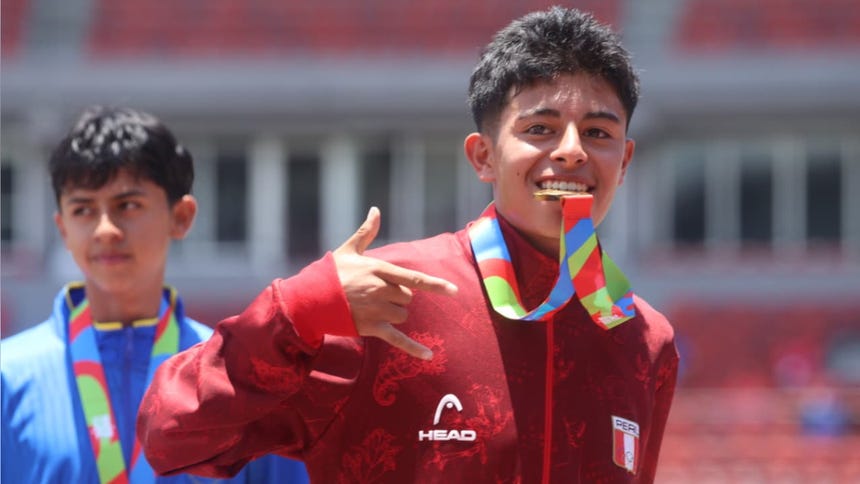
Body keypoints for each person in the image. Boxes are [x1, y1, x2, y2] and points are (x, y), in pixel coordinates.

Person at [138, 7, 679, 483]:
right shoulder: (377, 302)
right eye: (539, 129)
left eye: (598, 133)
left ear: (626, 161)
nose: (570, 151)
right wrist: (295, 314)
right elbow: (169, 435)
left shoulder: (643, 339)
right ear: (483, 157)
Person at [0, 106, 309, 484]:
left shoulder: (237, 377)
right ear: (63, 229)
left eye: (127, 205)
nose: (105, 229)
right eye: (83, 209)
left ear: (181, 217)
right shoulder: (7, 377)